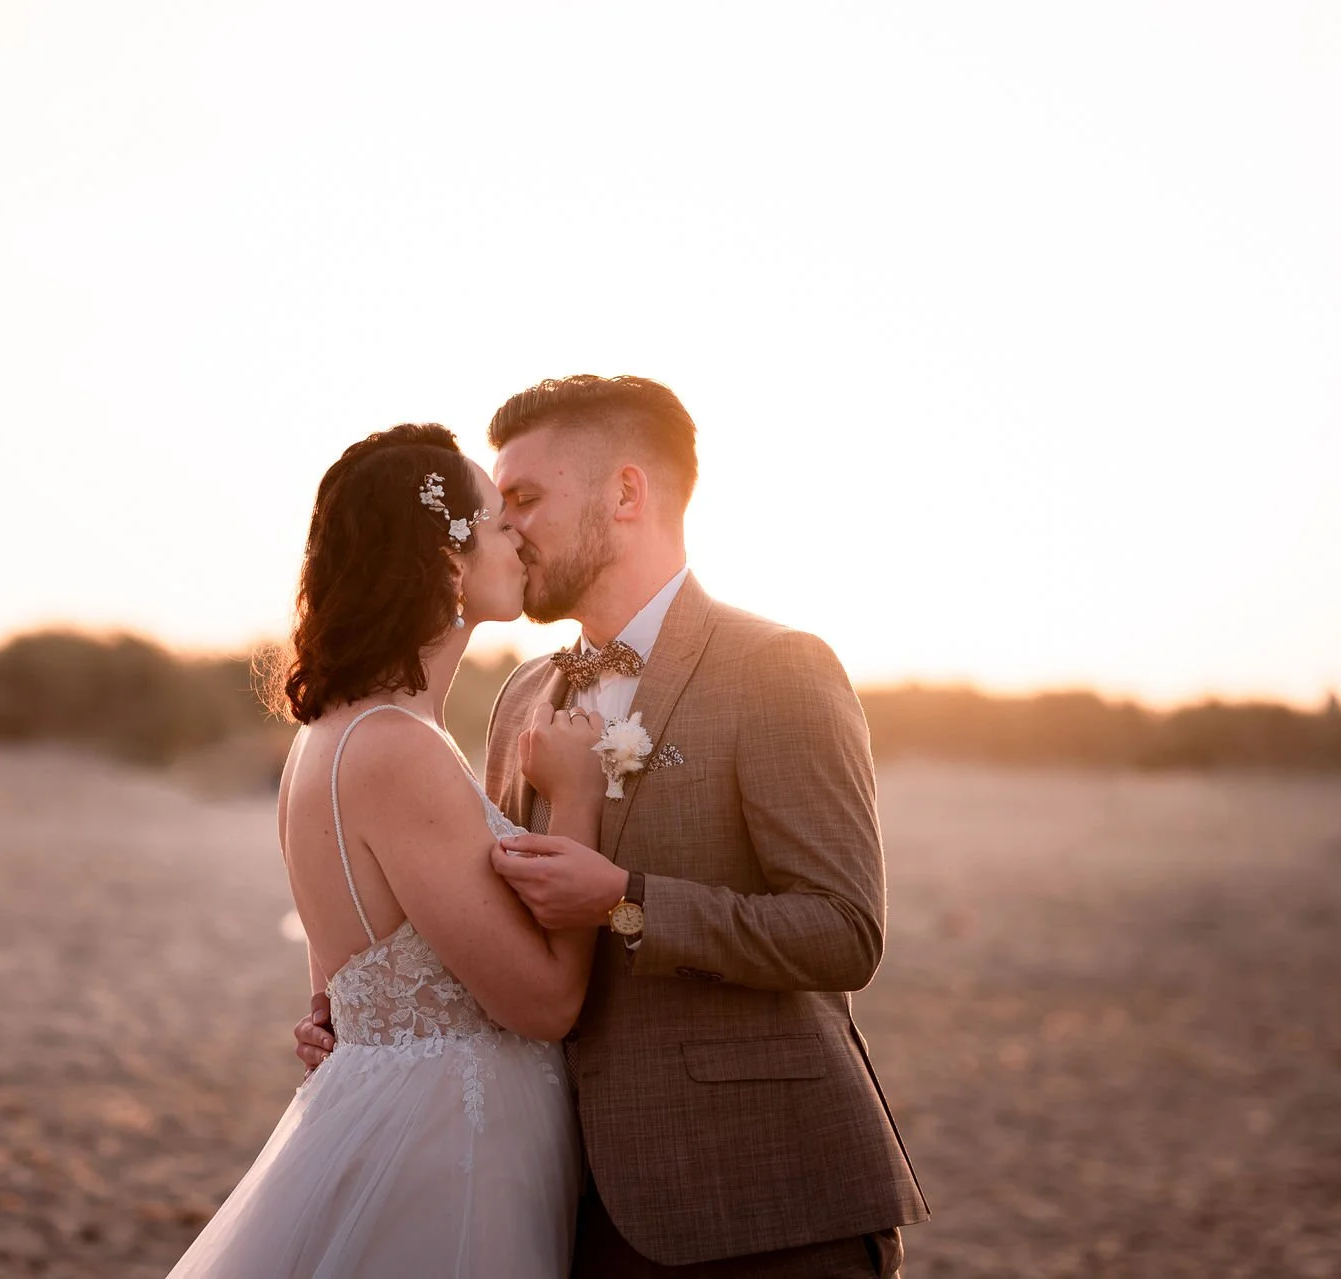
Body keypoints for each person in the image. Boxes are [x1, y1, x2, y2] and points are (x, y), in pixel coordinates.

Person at [297, 377, 929, 1277]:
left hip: (766, 1201)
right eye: (499, 506)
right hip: (563, 1203)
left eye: (524, 499)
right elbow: (490, 921)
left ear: (626, 493)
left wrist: (628, 904)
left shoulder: (777, 668)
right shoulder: (520, 695)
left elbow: (845, 931)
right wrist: (358, 1019)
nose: (506, 528)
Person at [169, 423, 607, 1278]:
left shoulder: (331, 734)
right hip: (447, 1151)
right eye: (493, 521)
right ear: (448, 563)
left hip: (394, 1111)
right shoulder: (396, 747)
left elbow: (341, 986)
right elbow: (547, 1002)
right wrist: (580, 797)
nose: (515, 536)